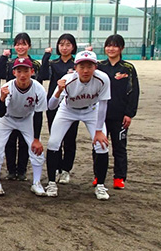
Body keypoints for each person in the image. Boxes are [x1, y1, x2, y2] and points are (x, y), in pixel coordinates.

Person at [46, 51, 111, 200]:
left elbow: (103, 105)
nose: (85, 70)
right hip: (68, 110)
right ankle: (51, 183)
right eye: (82, 66)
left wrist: (99, 131)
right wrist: (58, 91)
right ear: (75, 67)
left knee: (101, 145)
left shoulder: (102, 79)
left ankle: (100, 185)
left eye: (90, 66)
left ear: (95, 67)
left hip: (91, 110)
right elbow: (51, 106)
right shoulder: (68, 80)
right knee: (53, 143)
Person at [0, 57, 47, 196]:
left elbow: (38, 114)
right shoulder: (7, 88)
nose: (22, 75)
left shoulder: (39, 89)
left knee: (36, 149)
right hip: (7, 119)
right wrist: (2, 98)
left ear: (32, 71)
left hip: (27, 119)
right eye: (19, 71)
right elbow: (0, 113)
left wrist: (36, 139)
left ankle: (36, 182)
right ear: (14, 72)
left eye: (26, 71)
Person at [0, 32, 42, 181]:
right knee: (10, 141)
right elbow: (1, 75)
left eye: (23, 44)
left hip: (27, 105)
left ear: (29, 46)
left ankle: (22, 170)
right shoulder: (11, 63)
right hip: (11, 101)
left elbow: (39, 82)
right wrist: (3, 58)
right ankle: (11, 170)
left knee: (24, 143)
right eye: (17, 44)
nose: (20, 47)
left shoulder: (35, 64)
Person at [96, 35, 139, 190]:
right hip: (100, 115)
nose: (111, 49)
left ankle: (119, 177)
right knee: (99, 146)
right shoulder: (99, 66)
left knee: (119, 147)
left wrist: (129, 113)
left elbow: (134, 92)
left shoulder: (128, 68)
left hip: (120, 115)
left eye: (115, 46)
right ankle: (98, 176)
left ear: (121, 48)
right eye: (108, 46)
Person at [39, 33, 79, 184]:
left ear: (73, 47)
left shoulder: (77, 64)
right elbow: (42, 76)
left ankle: (66, 170)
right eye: (61, 45)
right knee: (55, 138)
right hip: (54, 104)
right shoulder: (53, 63)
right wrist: (46, 56)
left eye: (68, 45)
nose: (64, 48)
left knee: (70, 139)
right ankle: (55, 168)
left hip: (72, 105)